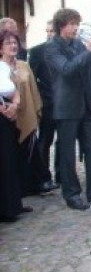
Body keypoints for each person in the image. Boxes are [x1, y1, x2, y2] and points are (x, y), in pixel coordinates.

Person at [45, 8, 91, 210]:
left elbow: (89, 66)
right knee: (67, 154)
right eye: (72, 24)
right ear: (61, 26)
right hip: (66, 106)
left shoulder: (77, 43)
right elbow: (67, 69)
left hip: (86, 103)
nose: (76, 27)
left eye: (77, 23)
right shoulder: (52, 48)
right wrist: (89, 52)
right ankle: (72, 194)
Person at [1, 28, 48, 197]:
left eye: (15, 43)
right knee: (8, 157)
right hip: (6, 117)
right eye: (8, 43)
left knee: (25, 154)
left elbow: (33, 90)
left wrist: (36, 111)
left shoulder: (24, 65)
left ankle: (24, 189)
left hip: (25, 113)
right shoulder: (1, 67)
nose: (13, 46)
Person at [28, 20, 60, 191]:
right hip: (47, 104)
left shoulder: (66, 49)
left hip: (65, 103)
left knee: (63, 142)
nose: (49, 34)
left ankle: (61, 174)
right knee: (45, 140)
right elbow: (32, 80)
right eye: (47, 31)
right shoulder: (37, 51)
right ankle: (44, 177)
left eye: (51, 31)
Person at [0, 51, 30, 222]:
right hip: (3, 111)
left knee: (9, 161)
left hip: (8, 115)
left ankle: (11, 206)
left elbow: (14, 88)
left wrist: (15, 104)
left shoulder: (4, 67)